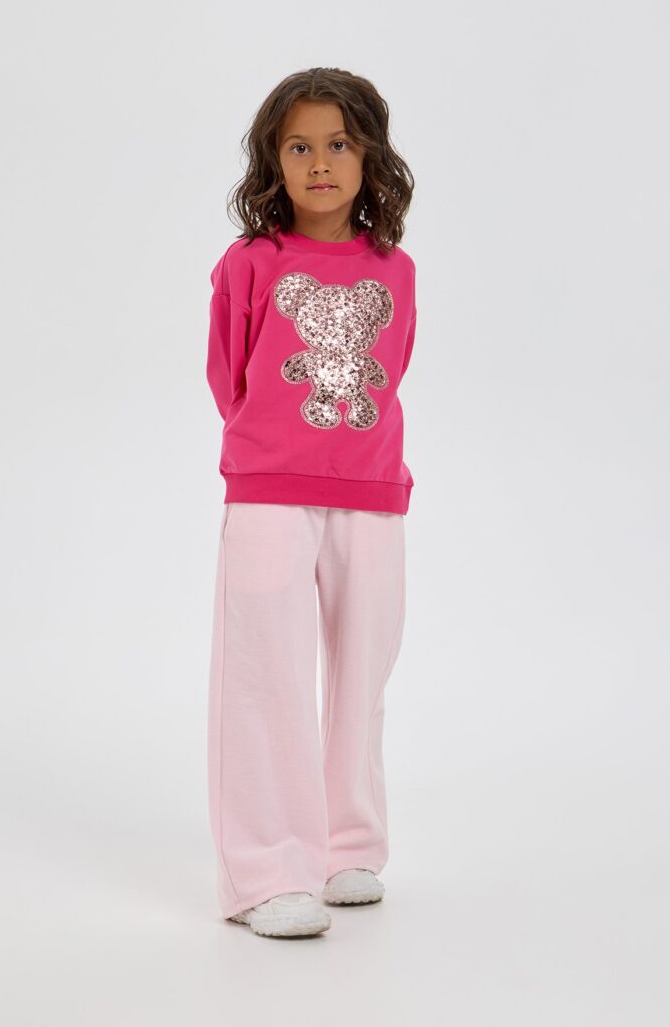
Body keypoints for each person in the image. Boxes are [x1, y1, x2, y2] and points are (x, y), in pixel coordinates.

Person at [205, 66, 417, 938]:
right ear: (274, 161)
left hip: (372, 490)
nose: (320, 163)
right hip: (269, 492)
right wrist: (276, 443)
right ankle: (265, 871)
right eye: (300, 147)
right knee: (266, 674)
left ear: (370, 158)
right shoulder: (251, 263)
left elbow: (393, 368)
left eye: (339, 144)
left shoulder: (394, 269)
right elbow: (229, 374)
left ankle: (345, 847)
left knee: (364, 670)